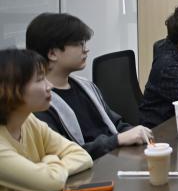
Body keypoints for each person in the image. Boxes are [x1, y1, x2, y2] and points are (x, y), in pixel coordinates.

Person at [26, 13, 152, 159]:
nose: (85, 49)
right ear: (53, 53)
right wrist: (116, 140)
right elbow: (64, 155)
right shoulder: (40, 103)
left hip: (114, 159)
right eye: (78, 44)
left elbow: (116, 124)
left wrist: (134, 132)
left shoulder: (86, 87)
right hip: (87, 169)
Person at [0, 48, 92, 191]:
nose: (49, 86)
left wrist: (47, 166)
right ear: (10, 89)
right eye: (40, 79)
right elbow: (52, 181)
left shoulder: (29, 121)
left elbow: (82, 155)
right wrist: (51, 162)